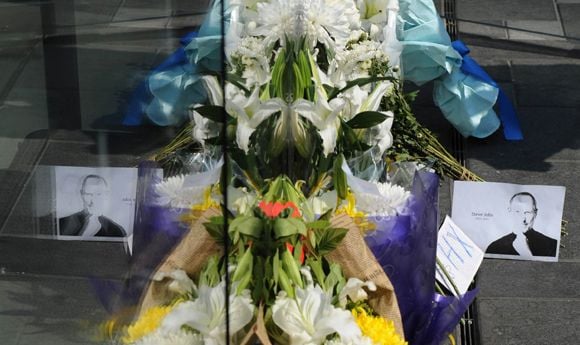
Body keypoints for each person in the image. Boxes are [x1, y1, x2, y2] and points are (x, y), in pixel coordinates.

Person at [486, 192, 557, 257]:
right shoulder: (494, 247)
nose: (523, 219)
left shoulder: (553, 245)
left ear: (535, 213)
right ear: (509, 212)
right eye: (517, 212)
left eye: (528, 212)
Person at [59, 174, 126, 237]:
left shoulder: (117, 231)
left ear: (106, 195)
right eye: (88, 194)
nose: (93, 201)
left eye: (98, 194)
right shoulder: (61, 224)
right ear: (81, 194)